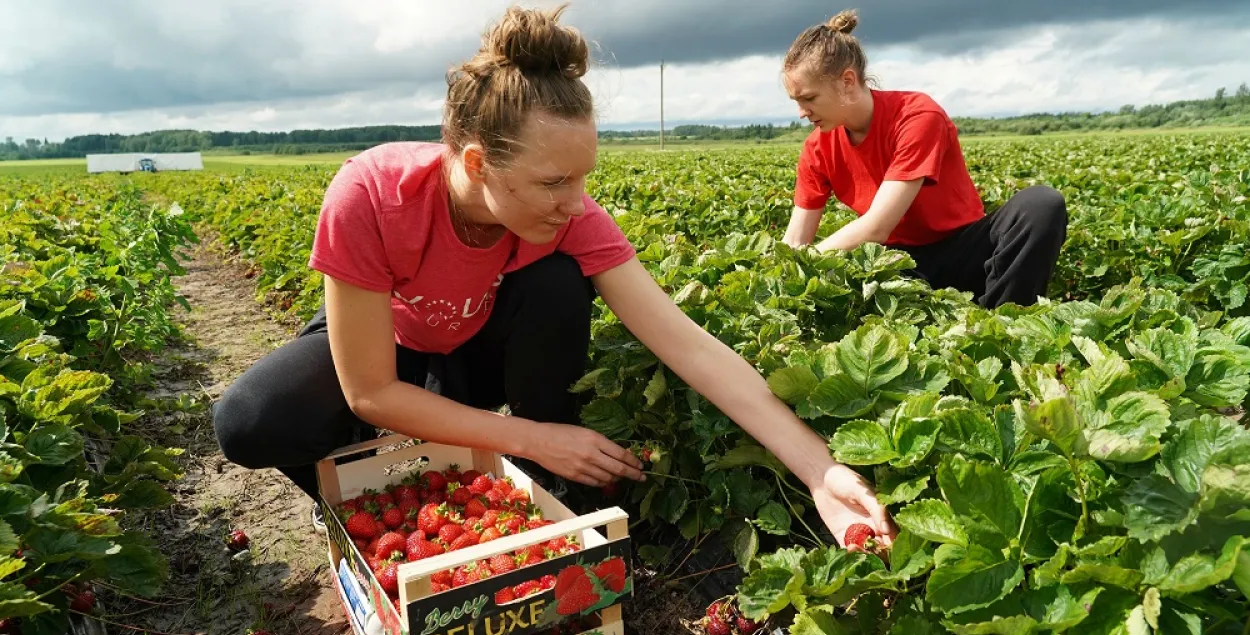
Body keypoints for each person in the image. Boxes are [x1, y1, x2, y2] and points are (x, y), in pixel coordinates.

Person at [212, 5, 895, 549]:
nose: (576, 201)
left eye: (584, 177)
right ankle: (366, 501)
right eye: (553, 181)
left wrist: (819, 468)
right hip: (392, 351)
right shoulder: (372, 194)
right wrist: (529, 435)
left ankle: (541, 490)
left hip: (476, 353)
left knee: (559, 283)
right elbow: (369, 388)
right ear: (478, 164)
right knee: (250, 419)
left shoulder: (573, 217)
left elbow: (686, 345)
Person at [779, 9, 1068, 309]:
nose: (801, 112)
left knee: (1041, 205)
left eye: (809, 98)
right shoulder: (816, 149)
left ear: (847, 81)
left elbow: (877, 226)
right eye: (796, 101)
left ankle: (1004, 320)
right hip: (899, 267)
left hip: (963, 253)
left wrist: (811, 259)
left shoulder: (916, 115)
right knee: (853, 275)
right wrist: (772, 278)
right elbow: (795, 240)